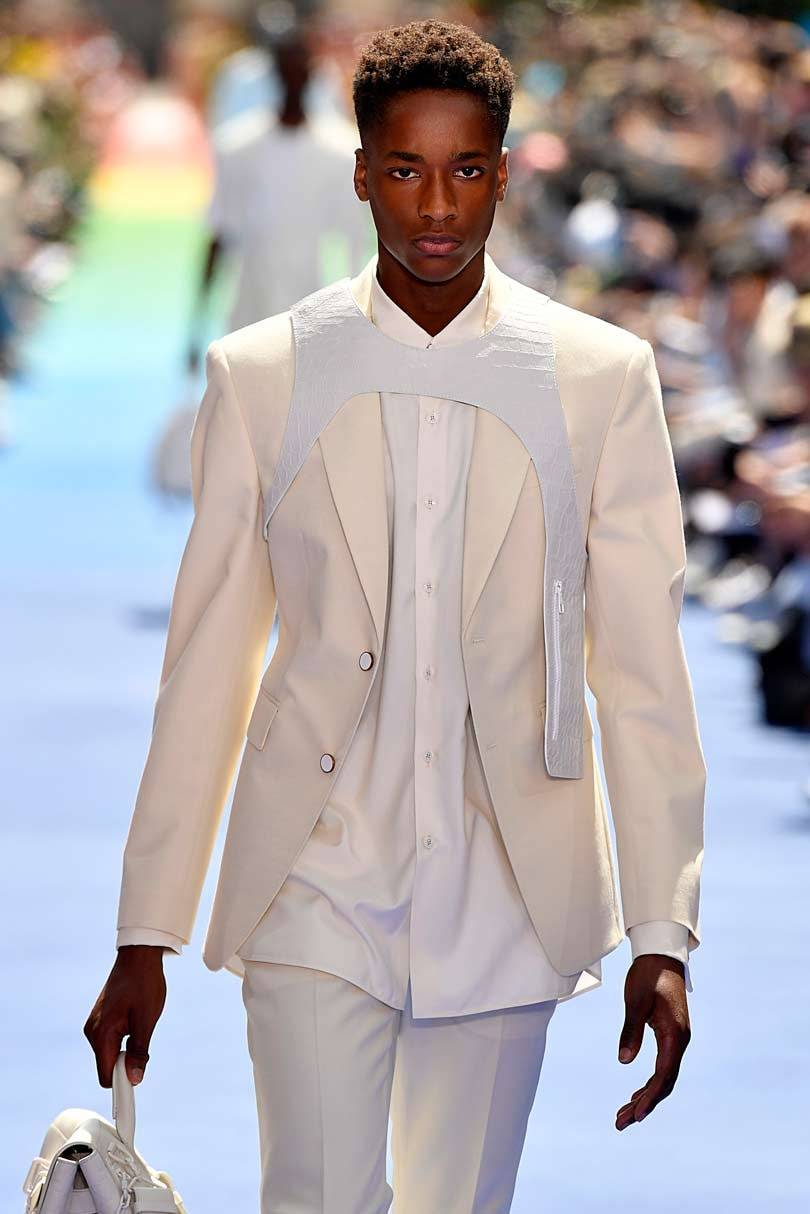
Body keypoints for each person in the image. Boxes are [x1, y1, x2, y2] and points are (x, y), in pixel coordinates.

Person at [84, 19, 706, 1213]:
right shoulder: (264, 375)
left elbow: (641, 674)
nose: (437, 204)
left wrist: (662, 930)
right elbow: (206, 667)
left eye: (466, 169)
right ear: (362, 174)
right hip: (314, 877)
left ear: (504, 174)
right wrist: (144, 929)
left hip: (511, 888)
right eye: (407, 170)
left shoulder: (600, 377)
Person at [187, 21, 374, 371]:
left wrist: (358, 328)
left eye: (299, 68)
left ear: (311, 73)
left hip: (316, 321)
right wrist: (196, 327)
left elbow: (354, 245)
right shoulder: (237, 147)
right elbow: (219, 234)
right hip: (250, 318)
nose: (293, 78)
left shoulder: (341, 153)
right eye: (286, 68)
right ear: (273, 73)